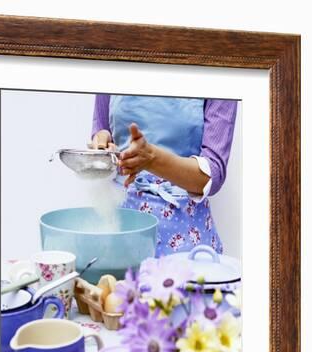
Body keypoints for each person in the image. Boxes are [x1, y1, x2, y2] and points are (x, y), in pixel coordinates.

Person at [91, 94, 238, 256]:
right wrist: (102, 143)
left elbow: (213, 175)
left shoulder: (219, 72)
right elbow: (102, 130)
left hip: (185, 234)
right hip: (120, 227)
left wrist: (153, 160)